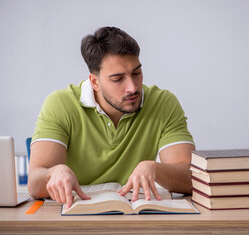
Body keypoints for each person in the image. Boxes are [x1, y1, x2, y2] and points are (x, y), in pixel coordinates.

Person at [27, 26, 195, 209]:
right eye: (118, 79)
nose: (132, 87)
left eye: (136, 73)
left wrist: (156, 168)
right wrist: (53, 173)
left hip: (137, 218)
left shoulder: (163, 103)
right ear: (95, 82)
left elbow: (192, 178)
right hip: (74, 218)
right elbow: (35, 184)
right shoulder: (60, 104)